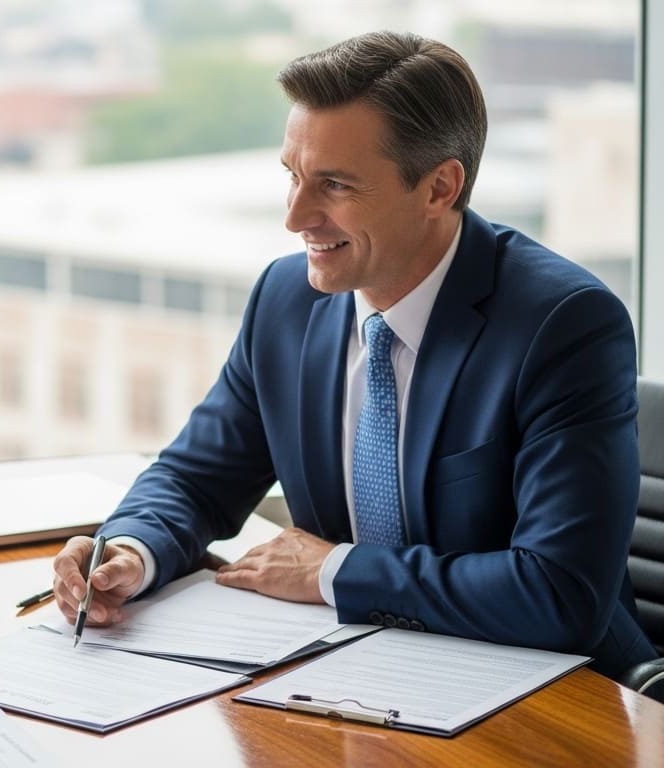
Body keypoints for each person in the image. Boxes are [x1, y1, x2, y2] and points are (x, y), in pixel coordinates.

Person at [51, 30, 658, 679]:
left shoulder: (562, 325)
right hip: (352, 675)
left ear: (438, 188)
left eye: (334, 185)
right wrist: (130, 550)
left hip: (554, 693)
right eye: (293, 176)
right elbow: (196, 478)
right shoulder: (286, 299)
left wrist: (334, 571)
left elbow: (560, 594)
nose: (295, 217)